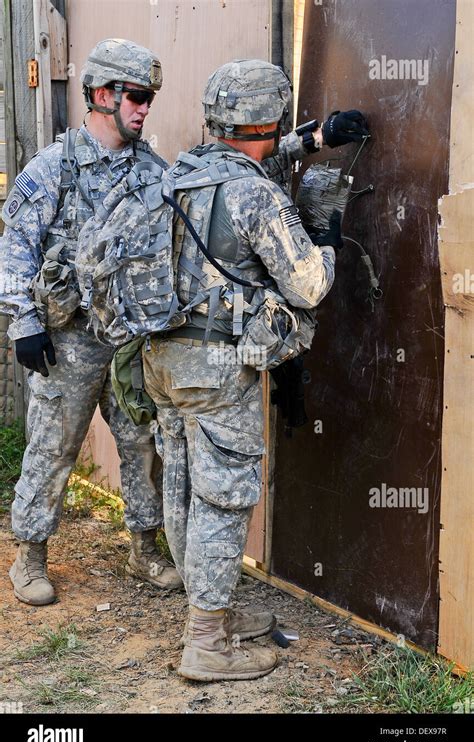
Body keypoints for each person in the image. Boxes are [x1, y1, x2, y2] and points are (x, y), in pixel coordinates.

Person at [141, 59, 368, 681]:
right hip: (218, 367)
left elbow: (248, 160)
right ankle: (206, 645)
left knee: (185, 483)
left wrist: (312, 139)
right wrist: (324, 231)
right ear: (267, 117)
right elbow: (310, 285)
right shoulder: (257, 195)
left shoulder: (178, 174)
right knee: (225, 498)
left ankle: (209, 610)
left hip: (161, 359)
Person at [0, 38, 183, 606]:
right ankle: (29, 557)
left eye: (150, 97)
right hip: (68, 340)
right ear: (102, 95)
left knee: (142, 445)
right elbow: (16, 250)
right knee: (53, 447)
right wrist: (23, 323)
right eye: (136, 96)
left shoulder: (153, 171)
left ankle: (144, 550)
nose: (145, 107)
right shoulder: (53, 167)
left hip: (129, 342)